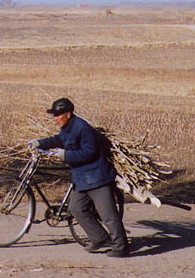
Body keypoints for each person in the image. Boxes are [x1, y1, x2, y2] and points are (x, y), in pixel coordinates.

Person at [29, 98, 129, 258]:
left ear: (68, 114)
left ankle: (121, 247)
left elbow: (91, 152)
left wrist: (66, 155)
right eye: (54, 115)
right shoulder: (67, 128)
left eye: (57, 115)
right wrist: (39, 143)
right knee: (76, 209)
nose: (55, 118)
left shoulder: (83, 128)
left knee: (108, 215)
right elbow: (58, 140)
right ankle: (100, 238)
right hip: (82, 179)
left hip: (97, 178)